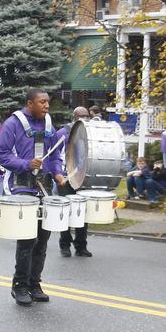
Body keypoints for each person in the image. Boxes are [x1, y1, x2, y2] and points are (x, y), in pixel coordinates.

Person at [0, 89, 66, 305]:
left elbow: (54, 154)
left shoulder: (48, 125)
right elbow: (2, 155)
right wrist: (26, 164)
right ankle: (20, 285)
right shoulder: (13, 123)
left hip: (43, 186)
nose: (46, 106)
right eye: (42, 102)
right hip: (20, 186)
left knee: (43, 239)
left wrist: (57, 173)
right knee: (27, 239)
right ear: (30, 103)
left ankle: (34, 284)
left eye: (48, 102)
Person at [56, 107, 93, 257]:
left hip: (83, 178)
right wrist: (58, 174)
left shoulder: (89, 134)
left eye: (87, 116)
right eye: (82, 116)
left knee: (82, 214)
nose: (85, 119)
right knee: (66, 213)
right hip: (66, 178)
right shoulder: (62, 133)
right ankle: (65, 245)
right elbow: (54, 155)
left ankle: (80, 246)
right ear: (74, 117)